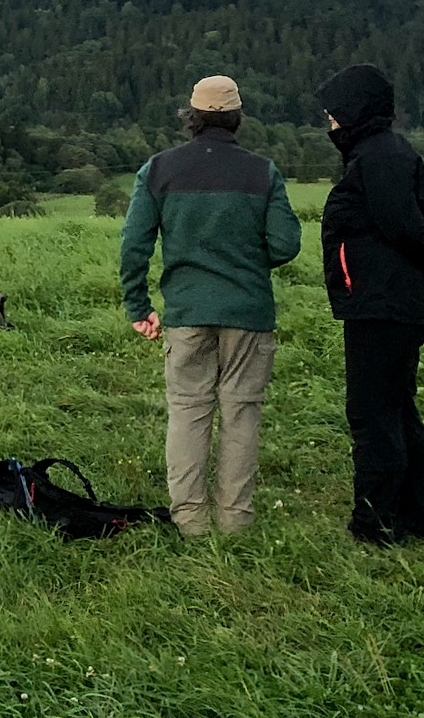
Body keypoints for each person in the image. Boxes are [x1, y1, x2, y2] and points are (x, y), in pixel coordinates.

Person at [120, 75, 302, 537]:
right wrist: (243, 259)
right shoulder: (262, 171)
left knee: (187, 410)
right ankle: (235, 520)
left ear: (192, 117)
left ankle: (190, 520)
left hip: (186, 312)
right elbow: (285, 243)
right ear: (238, 118)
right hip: (249, 312)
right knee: (241, 411)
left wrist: (139, 306)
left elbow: (134, 244)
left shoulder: (159, 169)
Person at [317, 63, 424, 545]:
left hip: (383, 304)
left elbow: (403, 224)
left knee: (373, 416)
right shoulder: (379, 153)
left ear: (356, 111)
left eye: (335, 113)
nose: (330, 124)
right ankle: (419, 519)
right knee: (397, 409)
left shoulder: (379, 156)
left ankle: (376, 525)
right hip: (386, 301)